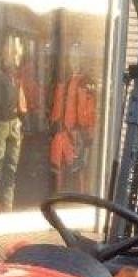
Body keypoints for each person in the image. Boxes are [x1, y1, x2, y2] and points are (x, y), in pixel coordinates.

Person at [49, 41, 98, 194]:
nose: (74, 60)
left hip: (78, 135)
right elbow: (54, 107)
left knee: (79, 173)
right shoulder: (64, 81)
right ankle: (56, 202)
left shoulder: (88, 82)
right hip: (61, 134)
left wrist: (87, 136)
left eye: (77, 57)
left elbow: (90, 112)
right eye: (71, 57)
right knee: (57, 171)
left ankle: (81, 204)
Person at [0, 33, 26, 212]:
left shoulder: (17, 78)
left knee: (11, 166)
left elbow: (22, 103)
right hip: (1, 123)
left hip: (14, 123)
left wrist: (20, 120)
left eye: (18, 54)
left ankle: (7, 205)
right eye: (14, 54)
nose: (16, 57)